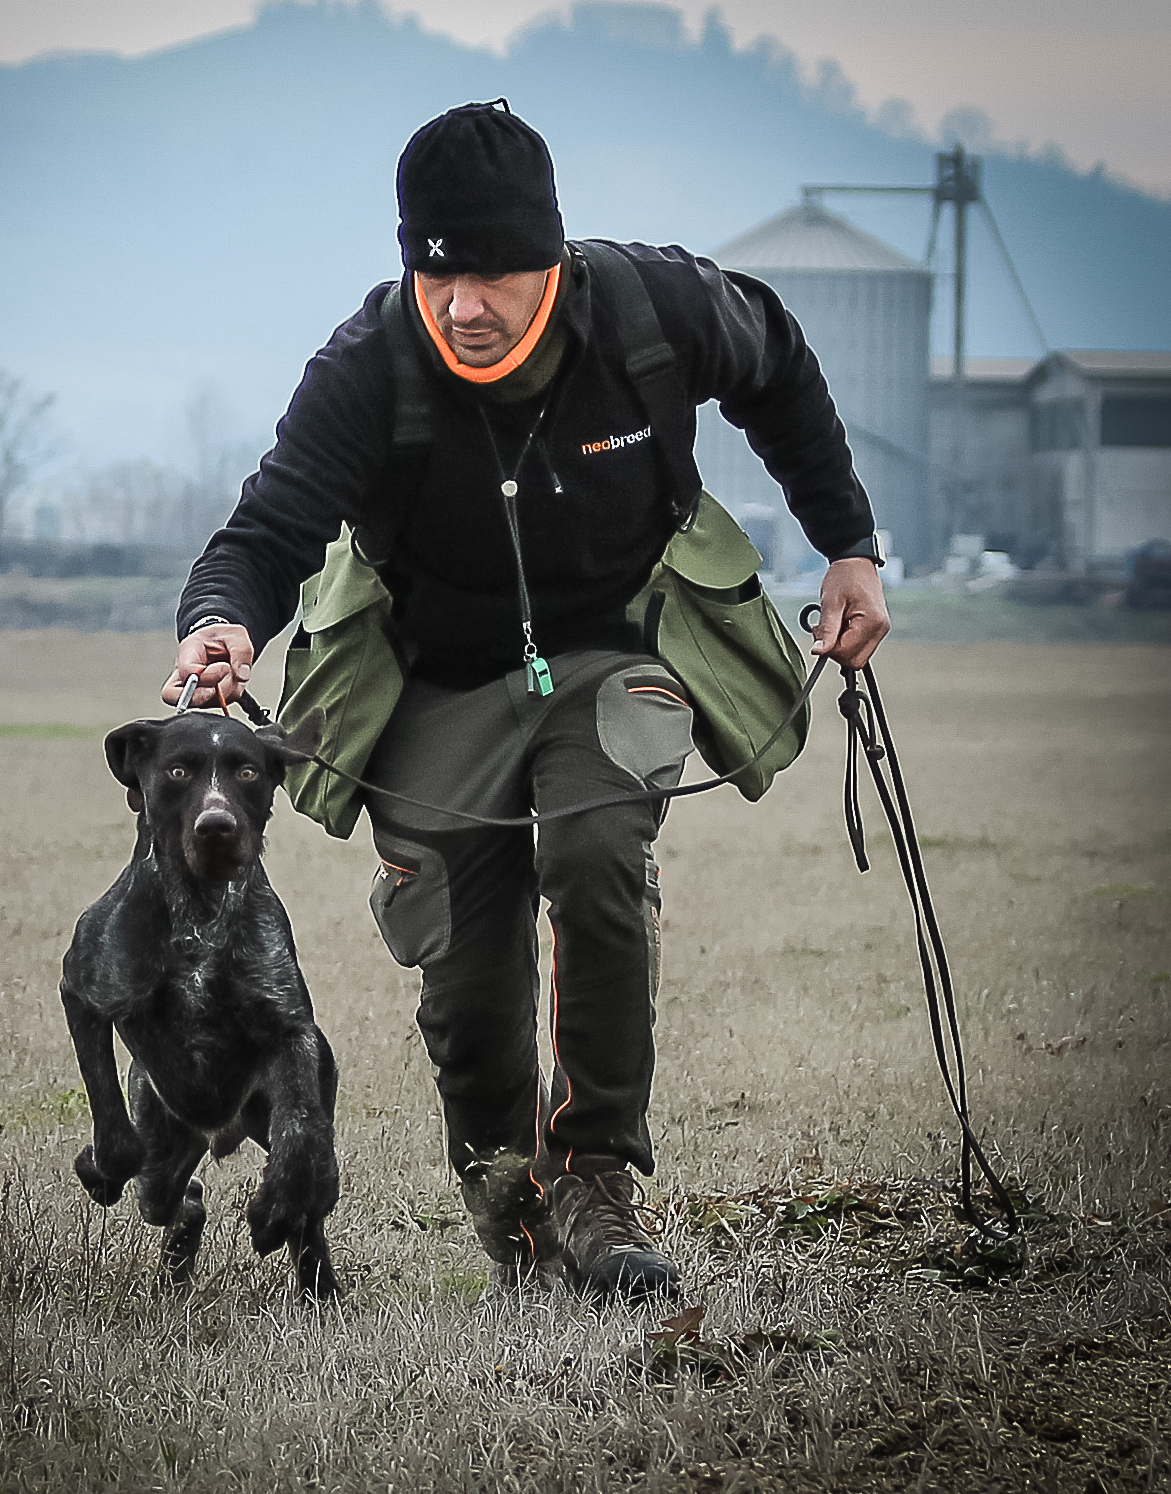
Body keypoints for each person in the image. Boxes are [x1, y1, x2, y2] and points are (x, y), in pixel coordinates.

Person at [165, 101, 889, 1299]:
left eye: (496, 272)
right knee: (463, 978)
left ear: (551, 258)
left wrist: (848, 545)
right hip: (436, 676)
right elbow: (267, 529)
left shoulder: (654, 310)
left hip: (614, 645)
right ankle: (513, 1204)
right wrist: (220, 623)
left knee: (600, 852)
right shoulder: (366, 366)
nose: (465, 304)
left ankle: (598, 1179)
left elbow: (780, 365)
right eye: (438, 273)